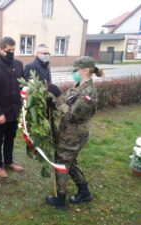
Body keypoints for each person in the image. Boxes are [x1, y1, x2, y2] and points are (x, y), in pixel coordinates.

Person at [45, 56, 104, 210]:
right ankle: (84, 191)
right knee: (70, 163)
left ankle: (60, 199)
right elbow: (66, 100)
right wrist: (54, 103)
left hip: (74, 135)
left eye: (75, 70)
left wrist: (58, 98)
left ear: (85, 70)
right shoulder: (79, 85)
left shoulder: (88, 94)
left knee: (62, 163)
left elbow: (71, 115)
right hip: (68, 133)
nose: (73, 73)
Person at [0, 36, 24, 178]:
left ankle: (8, 162)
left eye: (13, 50)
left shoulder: (19, 64)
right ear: (1, 50)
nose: (11, 52)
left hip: (14, 110)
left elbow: (22, 84)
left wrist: (26, 91)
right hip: (0, 112)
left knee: (10, 138)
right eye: (8, 50)